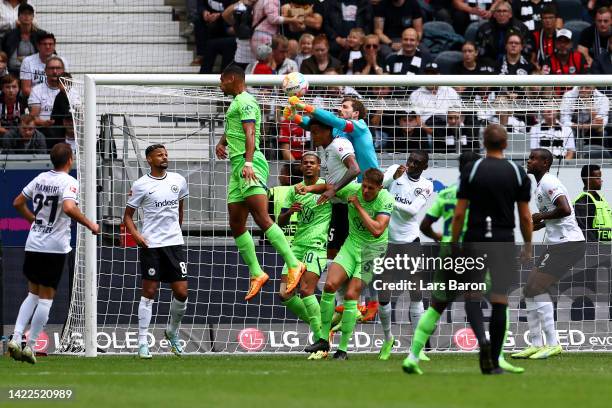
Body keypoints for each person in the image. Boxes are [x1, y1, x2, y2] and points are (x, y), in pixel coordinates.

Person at [404, 151, 526, 375]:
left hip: (447, 253)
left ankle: (412, 357)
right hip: (475, 251)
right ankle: (496, 355)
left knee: (435, 307)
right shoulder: (482, 196)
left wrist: (441, 238)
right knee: (499, 301)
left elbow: (425, 225)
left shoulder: (447, 192)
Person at [215, 65, 305, 300]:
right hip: (237, 166)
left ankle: (294, 264)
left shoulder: (244, 100)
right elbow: (236, 127)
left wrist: (248, 163)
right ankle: (257, 272)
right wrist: (222, 141)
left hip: (249, 163)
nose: (220, 84)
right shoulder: (237, 102)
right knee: (236, 222)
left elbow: (250, 131)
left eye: (222, 80)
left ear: (232, 78)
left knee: (261, 217)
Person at [451, 124, 533, 374]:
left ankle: (482, 341)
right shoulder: (517, 172)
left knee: (471, 295)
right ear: (506, 144)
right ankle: (495, 362)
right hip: (503, 240)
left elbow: (459, 212)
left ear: (483, 143)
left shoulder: (472, 169)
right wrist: (528, 244)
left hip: (475, 239)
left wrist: (455, 243)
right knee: (500, 299)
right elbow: (526, 216)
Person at [7, 143, 99, 364]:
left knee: (32, 294)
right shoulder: (69, 182)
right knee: (46, 298)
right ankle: (30, 346)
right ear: (69, 160)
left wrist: (33, 220)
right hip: (54, 247)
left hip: (34, 243)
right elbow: (68, 208)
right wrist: (90, 224)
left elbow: (18, 202)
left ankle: (16, 337)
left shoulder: (40, 178)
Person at [302, 168, 394, 360]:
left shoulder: (385, 199)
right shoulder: (354, 190)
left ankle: (343, 349)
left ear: (379, 187)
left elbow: (377, 230)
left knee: (352, 294)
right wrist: (309, 188)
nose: (366, 190)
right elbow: (330, 187)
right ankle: (322, 339)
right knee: (329, 285)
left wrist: (358, 206)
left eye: (371, 188)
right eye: (364, 186)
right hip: (351, 246)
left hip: (373, 251)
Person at [511, 149, 585, 360]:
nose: (529, 161)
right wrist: (539, 224)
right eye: (529, 157)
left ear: (545, 163)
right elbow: (557, 217)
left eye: (534, 158)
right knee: (529, 290)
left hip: (568, 244)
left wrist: (540, 216)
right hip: (558, 243)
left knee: (535, 288)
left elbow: (566, 209)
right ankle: (536, 344)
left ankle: (552, 344)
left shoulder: (549, 182)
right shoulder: (540, 185)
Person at [123, 144, 189, 359]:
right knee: (150, 292)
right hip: (151, 246)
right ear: (149, 159)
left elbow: (180, 210)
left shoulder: (178, 180)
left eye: (166, 154)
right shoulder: (141, 185)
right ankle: (143, 342)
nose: (164, 157)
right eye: (159, 155)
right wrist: (137, 236)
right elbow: (127, 217)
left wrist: (176, 232)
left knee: (182, 292)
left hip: (174, 244)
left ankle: (172, 332)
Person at [377, 151, 433, 360]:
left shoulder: (426, 185)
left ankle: (416, 347)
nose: (411, 164)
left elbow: (411, 211)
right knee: (384, 293)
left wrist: (388, 198)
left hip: (410, 241)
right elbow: (376, 189)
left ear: (424, 167)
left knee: (416, 292)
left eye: (417, 163)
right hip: (387, 241)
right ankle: (387, 339)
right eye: (410, 160)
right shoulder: (394, 171)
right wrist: (393, 179)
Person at [283, 114, 360, 260]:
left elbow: (355, 169)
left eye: (316, 132)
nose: (313, 136)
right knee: (331, 251)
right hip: (336, 206)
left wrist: (334, 190)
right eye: (311, 132)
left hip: (349, 206)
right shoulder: (324, 151)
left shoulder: (339, 144)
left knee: (345, 254)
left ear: (327, 131)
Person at [277, 152, 331, 355]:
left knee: (307, 291)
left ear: (319, 167)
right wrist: (289, 212)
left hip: (315, 247)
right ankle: (325, 327)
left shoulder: (328, 186)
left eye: (312, 163)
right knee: (285, 294)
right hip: (296, 247)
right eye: (305, 163)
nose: (308, 165)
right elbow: (279, 222)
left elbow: (334, 190)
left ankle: (321, 341)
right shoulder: (294, 190)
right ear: (300, 167)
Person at [20, 33, 67, 97]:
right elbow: (26, 89)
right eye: (44, 44)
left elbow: (64, 85)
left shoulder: (61, 61)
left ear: (54, 46)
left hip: (56, 99)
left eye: (50, 44)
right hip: (34, 98)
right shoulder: (27, 61)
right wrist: (43, 99)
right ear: (38, 46)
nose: (47, 47)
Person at [574, 164, 612, 242]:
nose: (601, 180)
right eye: (598, 178)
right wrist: (594, 249)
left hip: (607, 247)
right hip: (595, 249)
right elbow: (584, 230)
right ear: (588, 179)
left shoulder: (601, 199)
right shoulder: (581, 202)